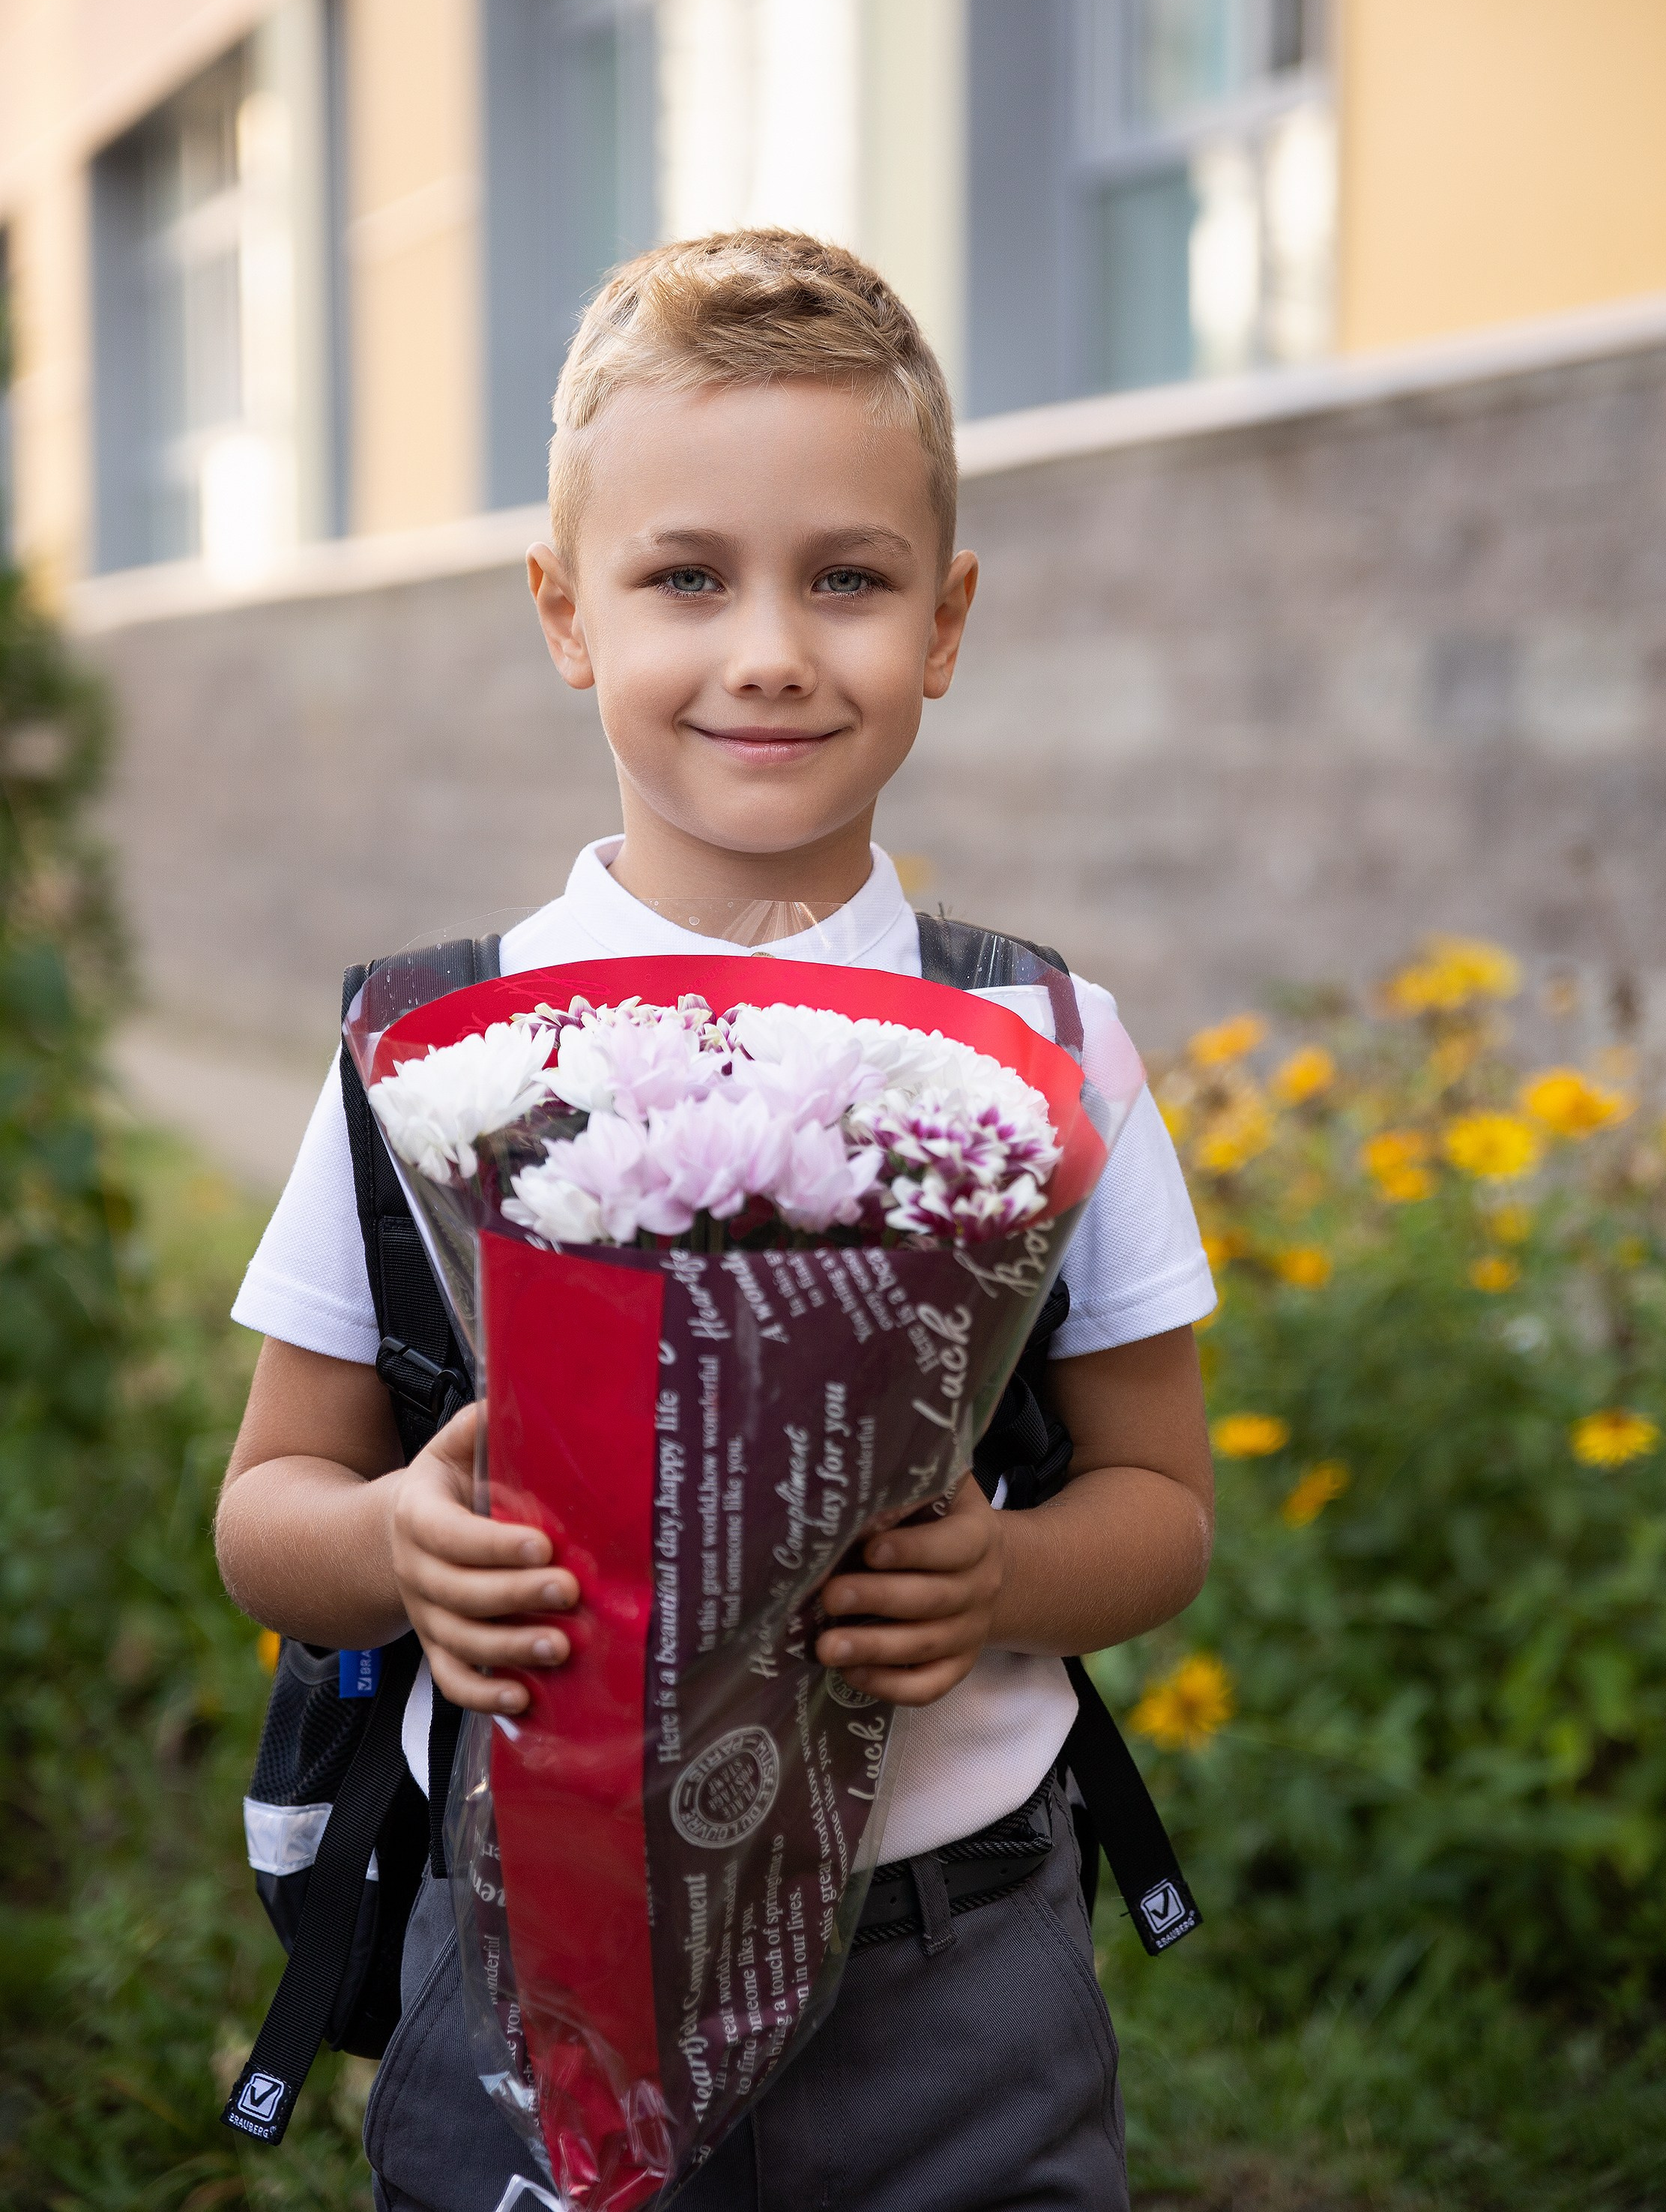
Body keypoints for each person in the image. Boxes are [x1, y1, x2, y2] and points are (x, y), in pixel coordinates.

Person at [215, 229, 1216, 2212]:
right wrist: (398, 1545)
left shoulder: (1042, 1044)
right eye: (687, 577)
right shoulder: (427, 1051)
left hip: (950, 1957)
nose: (768, 646)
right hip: (527, 1930)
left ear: (944, 621)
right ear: (563, 612)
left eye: (844, 580)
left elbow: (1159, 1508)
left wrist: (1002, 1585)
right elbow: (269, 1517)